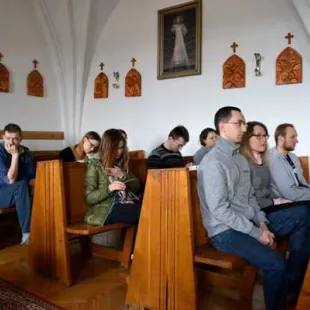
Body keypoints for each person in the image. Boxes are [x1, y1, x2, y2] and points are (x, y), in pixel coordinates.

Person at [198, 106, 285, 310]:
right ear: (223, 127)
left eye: (244, 123)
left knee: (284, 238)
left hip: (243, 224)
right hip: (223, 231)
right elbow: (220, 210)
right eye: (239, 123)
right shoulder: (212, 162)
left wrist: (262, 223)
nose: (244, 128)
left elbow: (251, 198)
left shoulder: (239, 158)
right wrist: (257, 233)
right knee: (277, 264)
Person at [240, 121, 310, 304]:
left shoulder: (263, 160)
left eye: (265, 136)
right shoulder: (244, 162)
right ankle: (294, 281)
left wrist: (277, 201)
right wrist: (276, 200)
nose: (264, 139)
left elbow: (278, 189)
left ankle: (296, 279)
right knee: (304, 214)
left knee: (305, 215)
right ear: (247, 138)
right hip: (257, 215)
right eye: (259, 136)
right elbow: (250, 199)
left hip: (268, 208)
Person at [84, 129, 141, 226]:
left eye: (121, 147)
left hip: (123, 204)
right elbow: (89, 198)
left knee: (149, 209)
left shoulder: (119, 164)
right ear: (107, 147)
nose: (119, 151)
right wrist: (109, 189)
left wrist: (121, 175)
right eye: (115, 148)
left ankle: (137, 241)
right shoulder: (94, 166)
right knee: (142, 213)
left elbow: (136, 186)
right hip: (105, 211)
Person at [0, 123, 36, 244]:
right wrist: (15, 155)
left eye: (15, 138)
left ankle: (47, 232)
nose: (11, 142)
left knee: (38, 187)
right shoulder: (0, 151)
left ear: (20, 138)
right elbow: (10, 180)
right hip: (2, 192)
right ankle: (27, 234)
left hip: (21, 191)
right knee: (21, 185)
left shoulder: (25, 152)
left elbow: (32, 178)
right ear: (3, 137)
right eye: (8, 138)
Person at [269, 123, 310, 201]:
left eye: (296, 137)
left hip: (302, 196)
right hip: (287, 202)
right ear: (281, 139)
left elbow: (303, 184)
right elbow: (288, 193)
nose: (297, 141)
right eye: (292, 137)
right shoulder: (273, 160)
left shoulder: (293, 157)